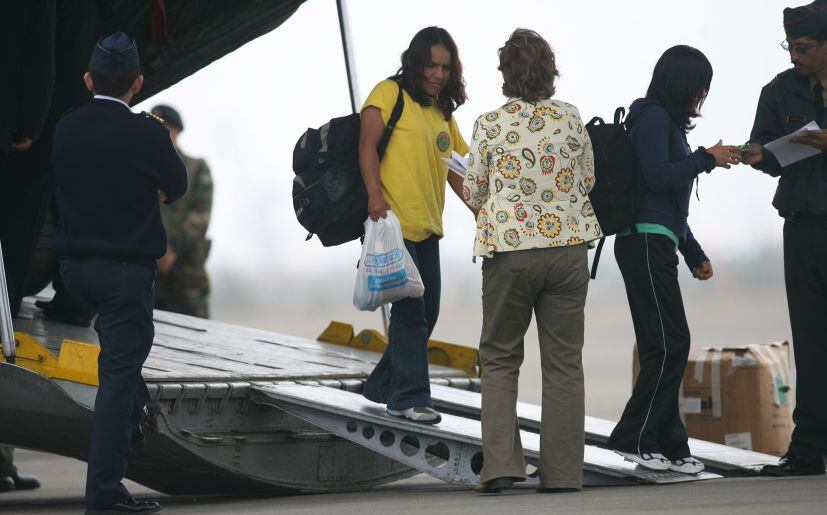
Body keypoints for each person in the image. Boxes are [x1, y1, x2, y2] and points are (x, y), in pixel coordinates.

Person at [53, 32, 187, 514]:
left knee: (124, 362)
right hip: (125, 273)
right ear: (138, 83)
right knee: (117, 378)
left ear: (88, 80)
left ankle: (133, 415)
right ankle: (105, 495)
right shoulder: (147, 133)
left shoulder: (66, 126)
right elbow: (177, 184)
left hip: (74, 271)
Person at [462, 29, 599, 494]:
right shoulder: (570, 118)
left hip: (510, 251)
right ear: (550, 70)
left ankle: (501, 463)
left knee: (500, 358)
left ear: (505, 73)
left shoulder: (489, 124)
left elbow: (474, 191)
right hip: (568, 248)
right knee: (564, 364)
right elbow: (587, 179)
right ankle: (563, 475)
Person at [605, 45, 741, 474]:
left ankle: (671, 444)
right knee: (670, 344)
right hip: (642, 242)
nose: (701, 95)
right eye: (699, 86)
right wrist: (705, 159)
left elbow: (669, 205)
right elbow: (657, 177)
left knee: (663, 345)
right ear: (683, 84)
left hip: (657, 241)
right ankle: (633, 436)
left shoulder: (667, 124)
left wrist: (693, 252)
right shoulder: (653, 118)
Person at [359, 26, 469, 424]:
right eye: (431, 65)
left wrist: (482, 210)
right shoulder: (388, 94)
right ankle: (409, 398)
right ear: (416, 62)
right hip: (392, 223)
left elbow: (457, 169)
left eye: (445, 67)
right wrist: (375, 196)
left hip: (428, 227)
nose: (438, 74)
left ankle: (381, 386)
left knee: (428, 313)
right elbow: (366, 147)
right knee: (410, 314)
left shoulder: (441, 112)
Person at [742, 0, 827, 477]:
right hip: (802, 229)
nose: (794, 55)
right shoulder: (778, 91)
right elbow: (768, 149)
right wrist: (759, 155)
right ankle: (808, 450)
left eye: (804, 47)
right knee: (811, 342)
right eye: (789, 46)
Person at [150, 105, 213, 319]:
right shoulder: (140, 166)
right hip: (143, 270)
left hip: (184, 277)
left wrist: (172, 249)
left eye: (166, 127)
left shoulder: (196, 168)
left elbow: (199, 217)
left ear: (177, 130)